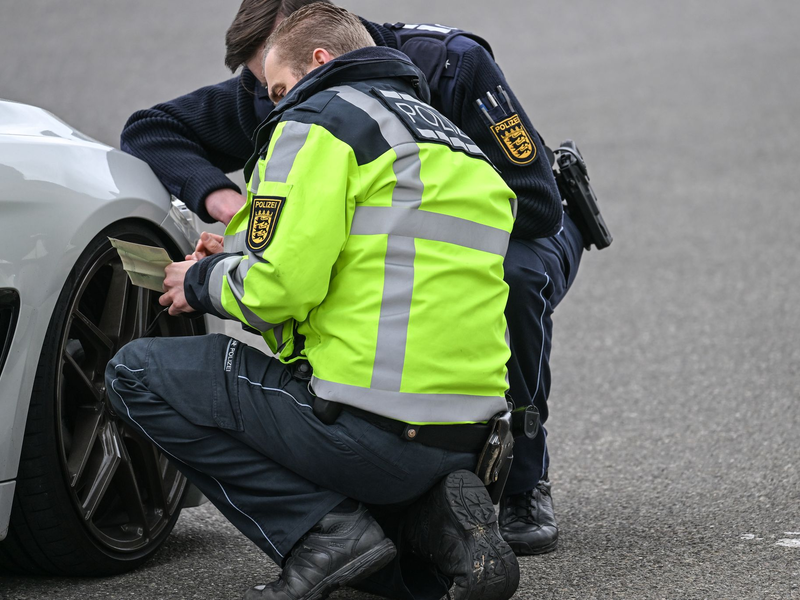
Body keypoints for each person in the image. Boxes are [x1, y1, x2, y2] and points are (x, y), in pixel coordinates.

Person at [121, 0, 586, 555]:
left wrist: (391, 219)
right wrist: (235, 213)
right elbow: (152, 128)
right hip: (430, 317)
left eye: (276, 80)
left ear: (310, 45)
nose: (271, 98)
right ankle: (431, 507)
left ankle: (524, 477)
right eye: (260, 81)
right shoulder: (274, 82)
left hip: (532, 234)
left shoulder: (450, 65)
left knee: (512, 278)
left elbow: (536, 202)